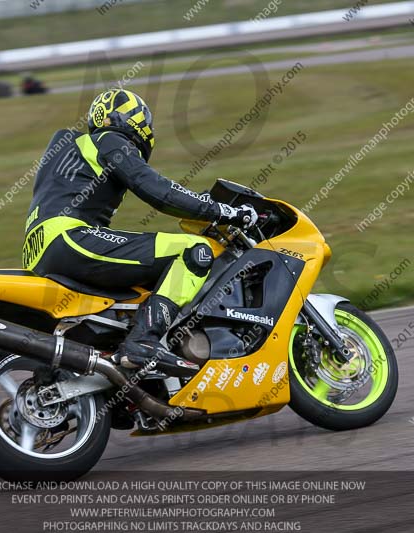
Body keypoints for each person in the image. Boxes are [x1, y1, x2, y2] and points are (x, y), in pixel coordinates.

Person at [22, 89, 257, 377]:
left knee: (145, 276)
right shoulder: (108, 140)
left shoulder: (70, 151)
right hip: (70, 238)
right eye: (143, 121)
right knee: (194, 251)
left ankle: (124, 350)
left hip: (42, 249)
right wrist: (220, 210)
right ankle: (143, 342)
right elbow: (155, 189)